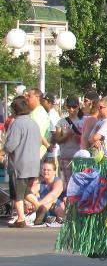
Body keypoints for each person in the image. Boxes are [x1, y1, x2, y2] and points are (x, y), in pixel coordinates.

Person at [5, 96, 43, 228]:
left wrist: (4, 148)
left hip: (20, 163)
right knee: (25, 190)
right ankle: (39, 207)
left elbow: (11, 145)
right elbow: (39, 142)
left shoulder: (16, 123)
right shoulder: (33, 123)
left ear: (15, 109)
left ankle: (21, 218)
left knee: (17, 192)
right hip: (34, 163)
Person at [52, 96, 82, 186]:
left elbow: (87, 140)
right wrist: (66, 136)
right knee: (68, 184)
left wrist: (80, 138)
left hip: (80, 158)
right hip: (65, 156)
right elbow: (57, 140)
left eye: (74, 107)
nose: (71, 109)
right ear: (65, 107)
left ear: (78, 106)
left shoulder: (84, 121)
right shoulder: (61, 122)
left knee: (79, 183)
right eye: (69, 107)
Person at [27, 159, 65, 225]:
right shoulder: (40, 184)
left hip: (57, 208)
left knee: (52, 201)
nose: (46, 172)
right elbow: (28, 194)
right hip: (43, 209)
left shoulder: (58, 182)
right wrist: (28, 202)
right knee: (34, 198)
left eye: (48, 170)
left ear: (54, 172)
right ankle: (40, 217)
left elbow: (53, 195)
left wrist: (37, 204)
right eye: (44, 169)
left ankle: (39, 217)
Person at [25, 88, 50, 159]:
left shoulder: (37, 114)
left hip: (36, 154)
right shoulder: (37, 111)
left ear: (37, 97)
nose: (26, 98)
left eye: (29, 96)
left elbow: (37, 134)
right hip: (38, 153)